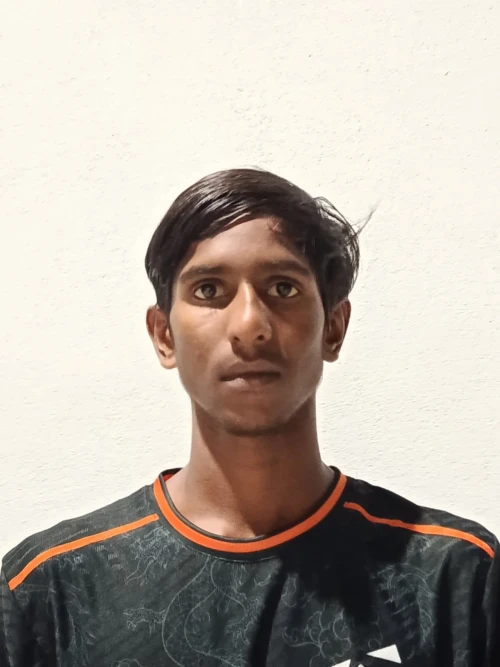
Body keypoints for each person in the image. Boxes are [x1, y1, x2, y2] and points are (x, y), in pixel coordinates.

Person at [0, 168, 498, 667]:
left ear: (334, 328)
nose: (249, 324)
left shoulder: (454, 578)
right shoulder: (49, 591)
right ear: (164, 336)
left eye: (282, 288)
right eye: (209, 291)